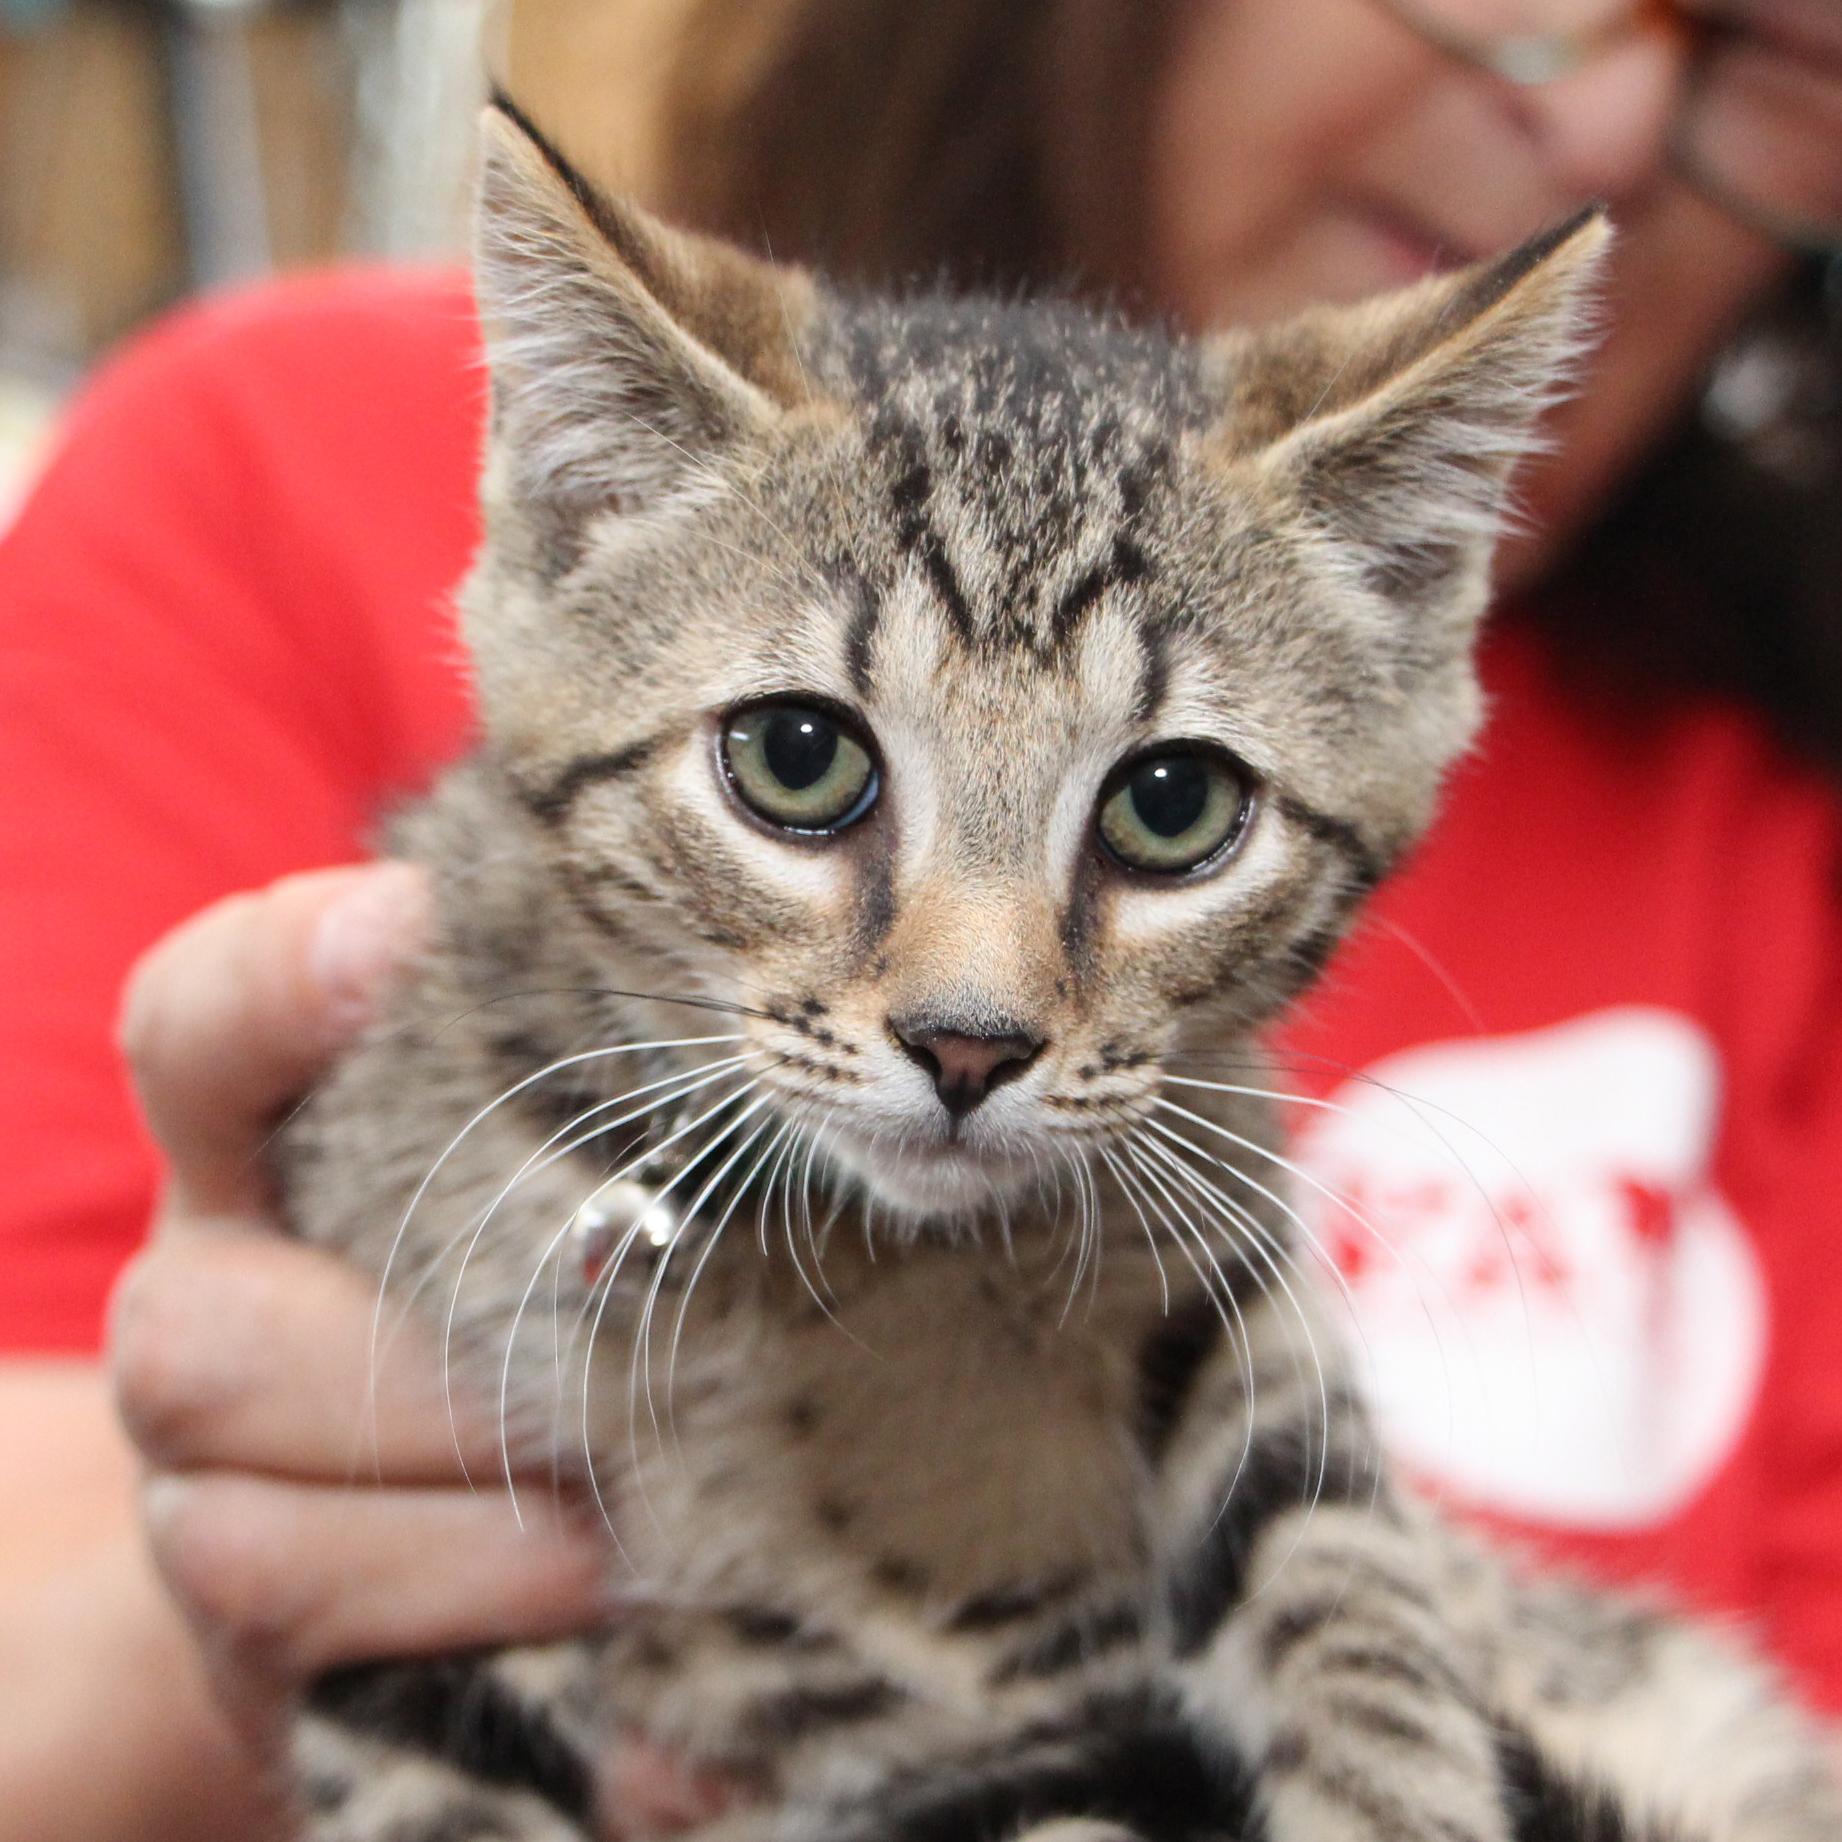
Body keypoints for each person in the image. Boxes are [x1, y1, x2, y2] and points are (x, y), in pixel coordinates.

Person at [2, 1, 1839, 1835]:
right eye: (802, 764)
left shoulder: (1774, 775)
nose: (977, 1009)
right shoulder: (250, 485)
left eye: (1166, 807)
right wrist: (260, 1618)